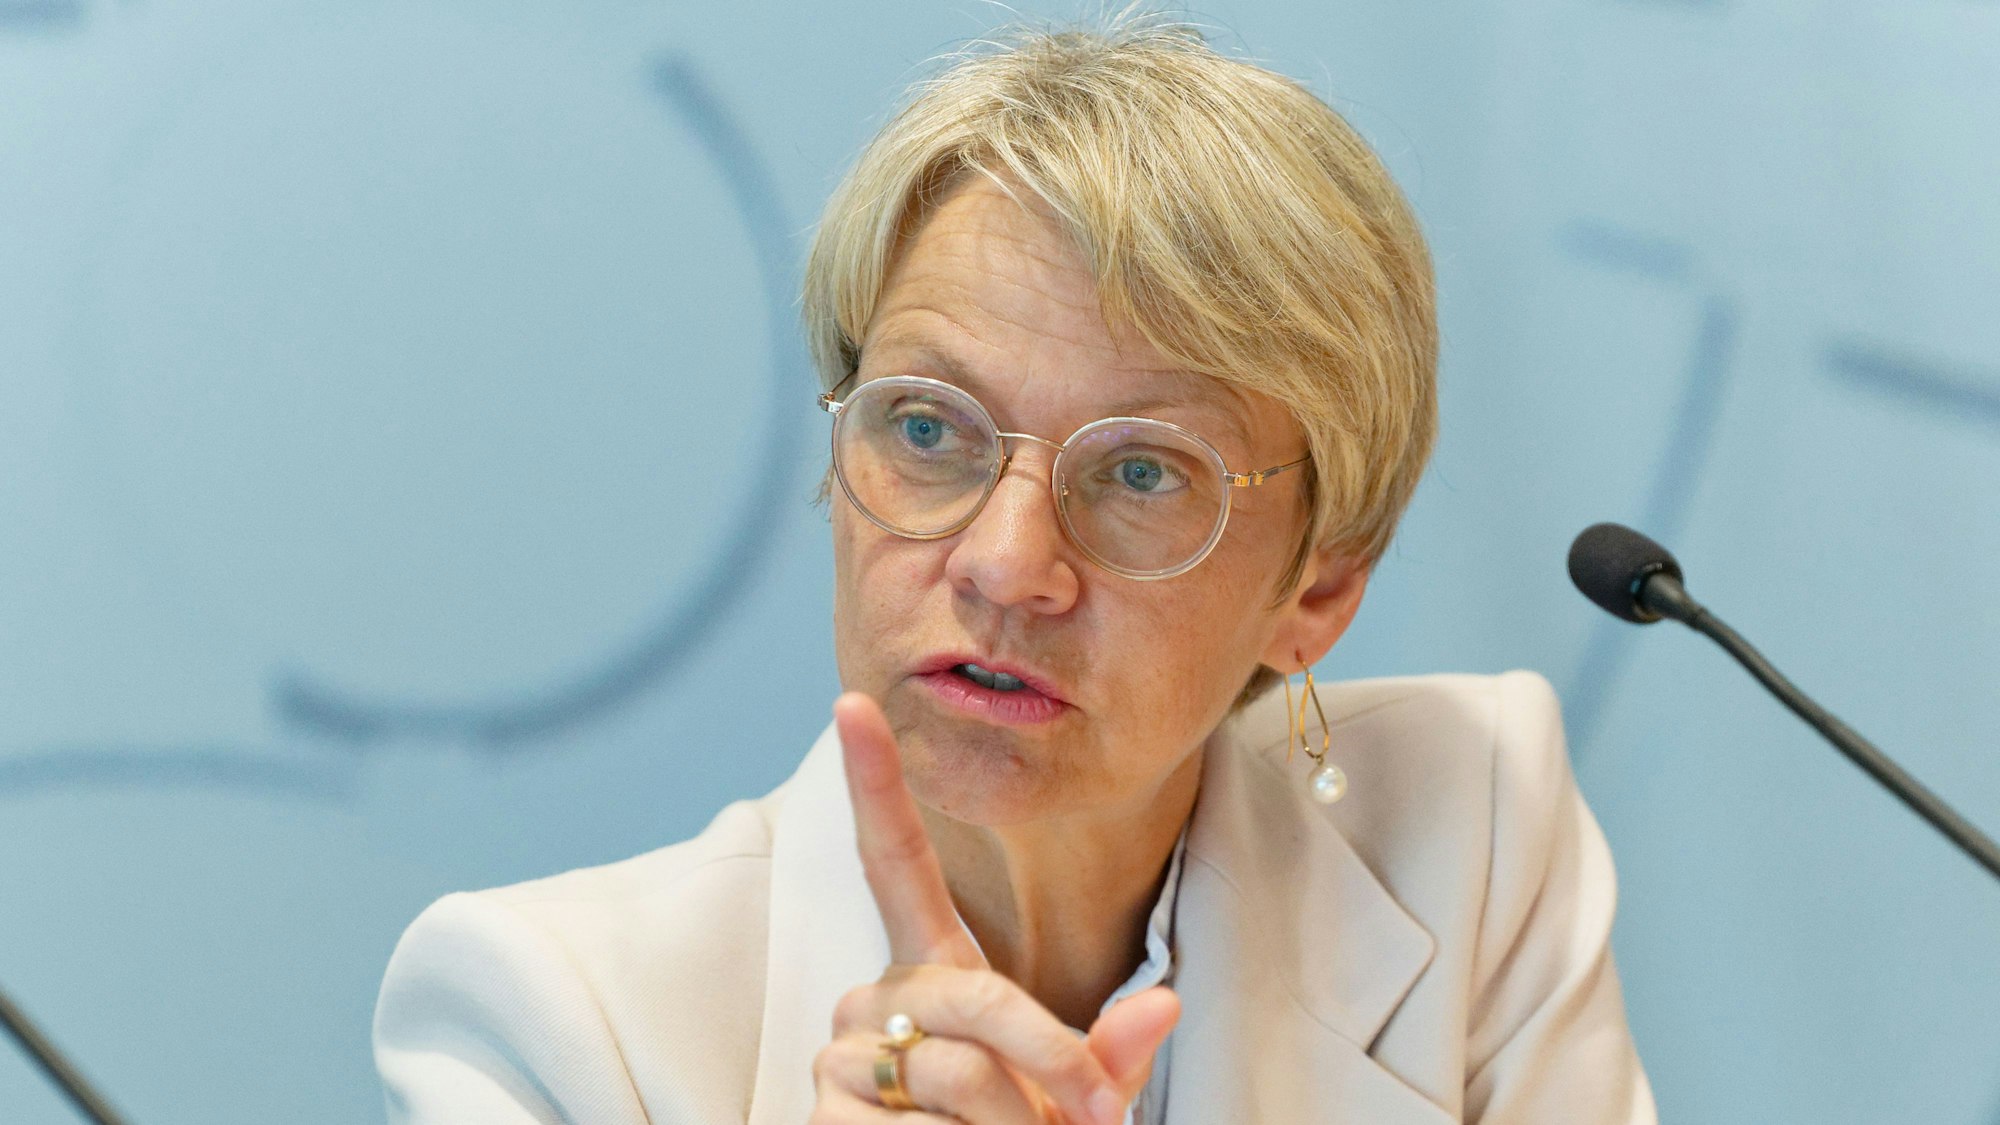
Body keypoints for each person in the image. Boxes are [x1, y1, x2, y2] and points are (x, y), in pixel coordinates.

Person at [373, 17, 1657, 1124]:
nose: (1003, 565)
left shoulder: (1468, 830)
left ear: (1317, 587)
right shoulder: (551, 1019)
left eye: (1144, 472)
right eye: (926, 430)